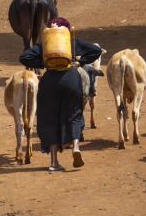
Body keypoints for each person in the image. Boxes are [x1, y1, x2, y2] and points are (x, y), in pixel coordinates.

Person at [19, 17, 103, 171]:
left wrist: (44, 63)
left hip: (50, 80)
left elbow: (24, 57)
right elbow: (96, 50)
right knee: (75, 114)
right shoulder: (72, 41)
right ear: (66, 30)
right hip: (71, 78)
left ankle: (53, 162)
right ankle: (76, 145)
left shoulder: (45, 43)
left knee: (48, 118)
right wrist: (80, 62)